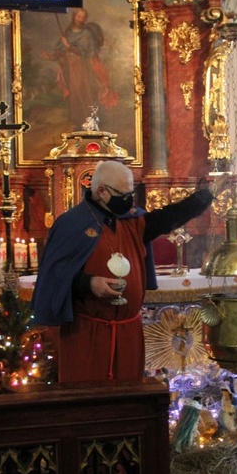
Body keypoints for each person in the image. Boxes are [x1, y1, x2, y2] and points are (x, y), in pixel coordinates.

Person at [31, 160, 213, 382]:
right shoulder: (72, 223)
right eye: (123, 194)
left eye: (131, 192)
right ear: (101, 191)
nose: (129, 200)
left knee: (129, 401)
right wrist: (88, 283)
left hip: (128, 333)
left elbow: (166, 218)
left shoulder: (133, 219)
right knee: (87, 400)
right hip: (88, 334)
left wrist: (202, 198)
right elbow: (54, 276)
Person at [43, 8, 118, 130]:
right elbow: (61, 50)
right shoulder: (68, 33)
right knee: (75, 94)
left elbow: (86, 51)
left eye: (83, 17)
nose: (81, 19)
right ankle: (78, 122)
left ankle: (90, 121)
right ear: (74, 17)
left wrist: (69, 46)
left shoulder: (86, 34)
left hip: (82, 66)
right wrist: (52, 57)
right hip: (70, 66)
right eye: (79, 16)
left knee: (85, 92)